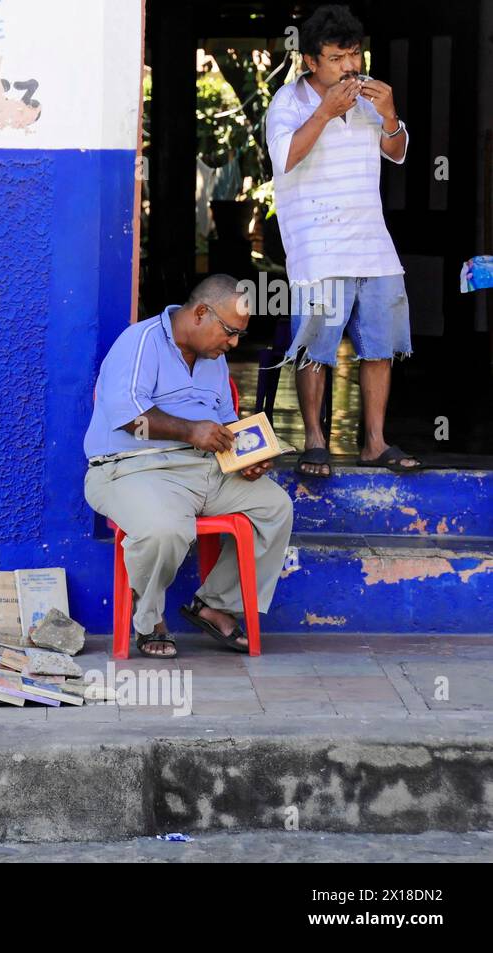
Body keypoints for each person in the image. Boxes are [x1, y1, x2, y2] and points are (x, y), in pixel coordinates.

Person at [83, 275, 295, 657]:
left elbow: (226, 423)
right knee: (165, 529)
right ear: (200, 313)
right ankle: (149, 620)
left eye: (238, 336)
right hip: (132, 469)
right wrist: (191, 431)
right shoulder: (141, 341)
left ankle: (214, 604)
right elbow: (128, 415)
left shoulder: (215, 360)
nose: (232, 343)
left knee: (275, 507)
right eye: (229, 332)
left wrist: (246, 455)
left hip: (203, 471)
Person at [266, 4, 420, 477]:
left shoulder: (372, 99)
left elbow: (396, 152)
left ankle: (374, 442)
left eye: (354, 54)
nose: (350, 66)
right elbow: (286, 158)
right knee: (316, 348)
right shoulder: (288, 102)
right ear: (311, 60)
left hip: (373, 244)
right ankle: (314, 440)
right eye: (337, 57)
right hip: (318, 247)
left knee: (380, 347)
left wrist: (390, 114)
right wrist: (326, 113)